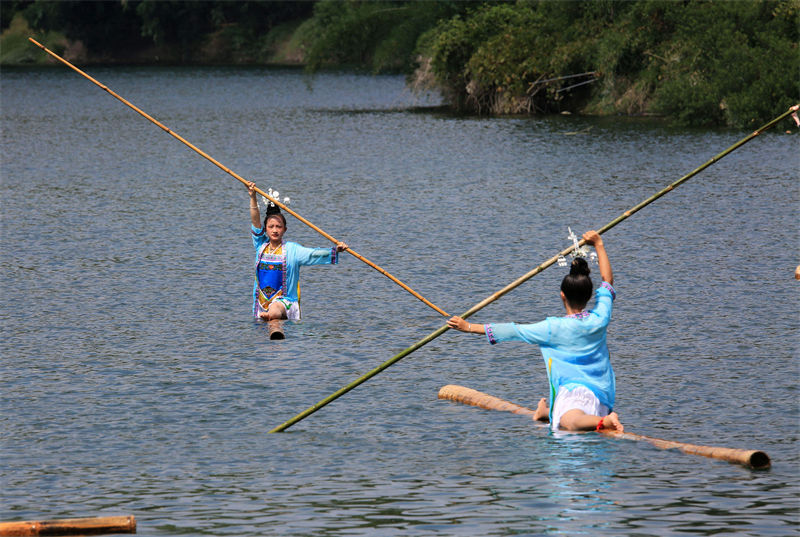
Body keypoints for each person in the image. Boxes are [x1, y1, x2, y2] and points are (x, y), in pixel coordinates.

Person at [447, 230, 623, 433]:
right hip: (600, 394)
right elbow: (607, 281)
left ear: (562, 295)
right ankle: (545, 413)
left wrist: (466, 327)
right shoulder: (600, 318)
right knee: (562, 415)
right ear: (589, 294)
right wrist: (599, 244)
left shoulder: (551, 329)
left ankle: (603, 422)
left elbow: (512, 330)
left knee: (569, 422)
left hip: (574, 394)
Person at [247, 181, 348, 321]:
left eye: (278, 226)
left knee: (275, 308)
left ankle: (272, 316)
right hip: (262, 303)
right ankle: (270, 321)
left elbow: (313, 254)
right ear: (266, 229)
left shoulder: (292, 250)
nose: (275, 230)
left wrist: (336, 250)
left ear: (284, 229)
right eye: (271, 226)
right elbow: (255, 221)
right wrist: (253, 196)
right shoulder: (260, 245)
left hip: (285, 302)